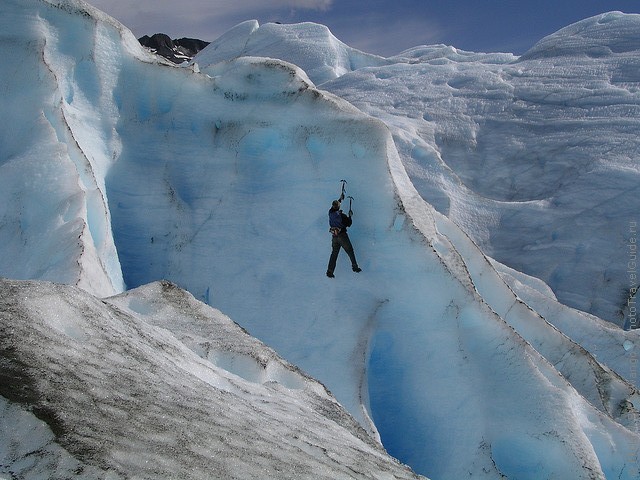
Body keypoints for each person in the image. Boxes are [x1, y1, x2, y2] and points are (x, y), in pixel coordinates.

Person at [326, 199, 361, 278]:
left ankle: (330, 271)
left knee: (334, 254)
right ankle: (355, 267)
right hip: (342, 236)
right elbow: (349, 224)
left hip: (334, 236)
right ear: (338, 207)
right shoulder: (342, 216)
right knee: (350, 251)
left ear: (332, 206)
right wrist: (350, 216)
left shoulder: (330, 213)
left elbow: (335, 207)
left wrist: (340, 199)